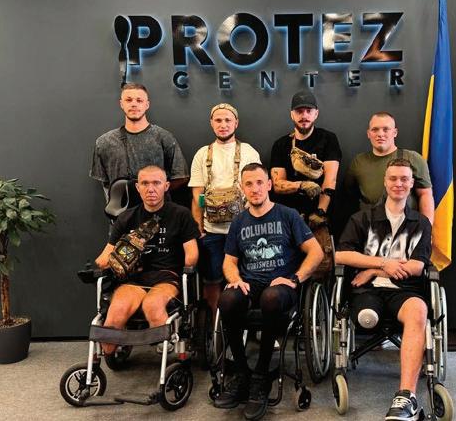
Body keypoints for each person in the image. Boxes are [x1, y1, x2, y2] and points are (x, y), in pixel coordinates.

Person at [214, 163, 323, 421]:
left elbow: (316, 252)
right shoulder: (239, 221)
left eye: (260, 182)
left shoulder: (288, 215)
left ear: (269, 185)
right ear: (242, 188)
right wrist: (235, 279)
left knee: (271, 297)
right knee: (227, 300)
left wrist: (295, 279)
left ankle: (261, 375)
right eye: (249, 184)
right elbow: (229, 262)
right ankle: (242, 373)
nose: (255, 189)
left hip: (281, 287)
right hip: (250, 284)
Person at [336, 158, 432, 421]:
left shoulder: (421, 223)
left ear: (411, 184)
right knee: (367, 318)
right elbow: (341, 255)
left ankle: (406, 396)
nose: (398, 183)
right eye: (393, 178)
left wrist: (375, 269)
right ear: (385, 182)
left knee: (419, 310)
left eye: (404, 179)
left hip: (405, 290)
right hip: (367, 291)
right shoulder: (362, 218)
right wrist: (382, 263)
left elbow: (417, 266)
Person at [94, 165, 199, 355]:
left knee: (153, 305)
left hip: (166, 277)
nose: (151, 189)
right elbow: (103, 258)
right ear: (137, 187)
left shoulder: (180, 214)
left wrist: (187, 269)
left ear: (166, 186)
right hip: (134, 279)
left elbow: (191, 254)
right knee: (116, 311)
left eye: (156, 183)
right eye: (145, 183)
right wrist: (117, 258)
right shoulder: (126, 218)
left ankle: (165, 351)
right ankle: (111, 352)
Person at [188, 103, 261, 320]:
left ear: (236, 123)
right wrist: (199, 228)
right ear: (211, 123)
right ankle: (217, 325)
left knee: (249, 278)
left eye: (228, 120)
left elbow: (257, 190)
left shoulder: (248, 152)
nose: (223, 124)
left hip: (244, 230)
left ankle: (247, 323)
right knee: (212, 280)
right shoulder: (202, 154)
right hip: (213, 232)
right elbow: (197, 194)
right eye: (218, 120)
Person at [90, 83, 189, 197]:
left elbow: (180, 176)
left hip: (156, 207)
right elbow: (104, 181)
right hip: (120, 207)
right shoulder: (104, 142)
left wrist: (155, 194)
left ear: (147, 105)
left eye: (139, 100)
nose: (134, 104)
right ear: (121, 104)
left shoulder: (164, 138)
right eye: (129, 100)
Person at [344, 112, 434, 223]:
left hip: (406, 227)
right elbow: (348, 198)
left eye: (386, 129)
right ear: (368, 134)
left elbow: (425, 194)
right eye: (375, 130)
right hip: (370, 227)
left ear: (395, 132)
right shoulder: (358, 162)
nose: (380, 134)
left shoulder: (413, 158)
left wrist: (426, 228)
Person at [270, 90, 342, 227]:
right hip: (289, 217)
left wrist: (321, 211)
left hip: (319, 214)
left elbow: (330, 179)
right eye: (299, 111)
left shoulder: (328, 139)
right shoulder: (281, 144)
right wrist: (301, 185)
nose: (304, 116)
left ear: (316, 113)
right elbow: (277, 185)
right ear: (292, 114)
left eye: (309, 111)